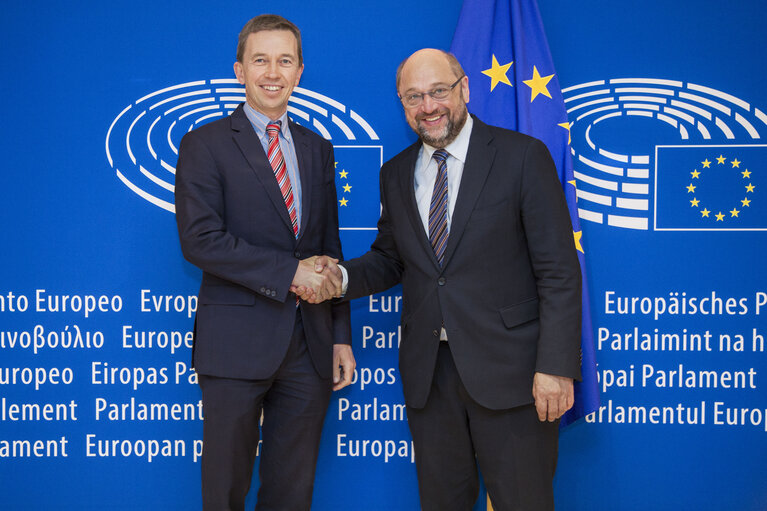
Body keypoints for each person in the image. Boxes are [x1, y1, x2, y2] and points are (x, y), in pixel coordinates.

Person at [308, 49, 582, 510]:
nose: (428, 106)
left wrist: (555, 366)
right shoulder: (395, 173)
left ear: (465, 89)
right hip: (430, 377)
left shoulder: (521, 157)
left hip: (513, 376)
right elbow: (390, 260)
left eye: (438, 91)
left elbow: (558, 271)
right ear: (402, 102)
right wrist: (338, 276)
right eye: (414, 96)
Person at [174, 14, 354, 511]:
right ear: (239, 70)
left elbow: (329, 247)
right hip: (235, 345)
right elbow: (200, 241)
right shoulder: (204, 144)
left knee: (292, 493)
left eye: (284, 60)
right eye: (260, 60)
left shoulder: (318, 148)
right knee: (225, 490)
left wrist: (340, 334)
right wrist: (289, 273)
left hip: (310, 346)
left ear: (299, 72)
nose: (272, 72)